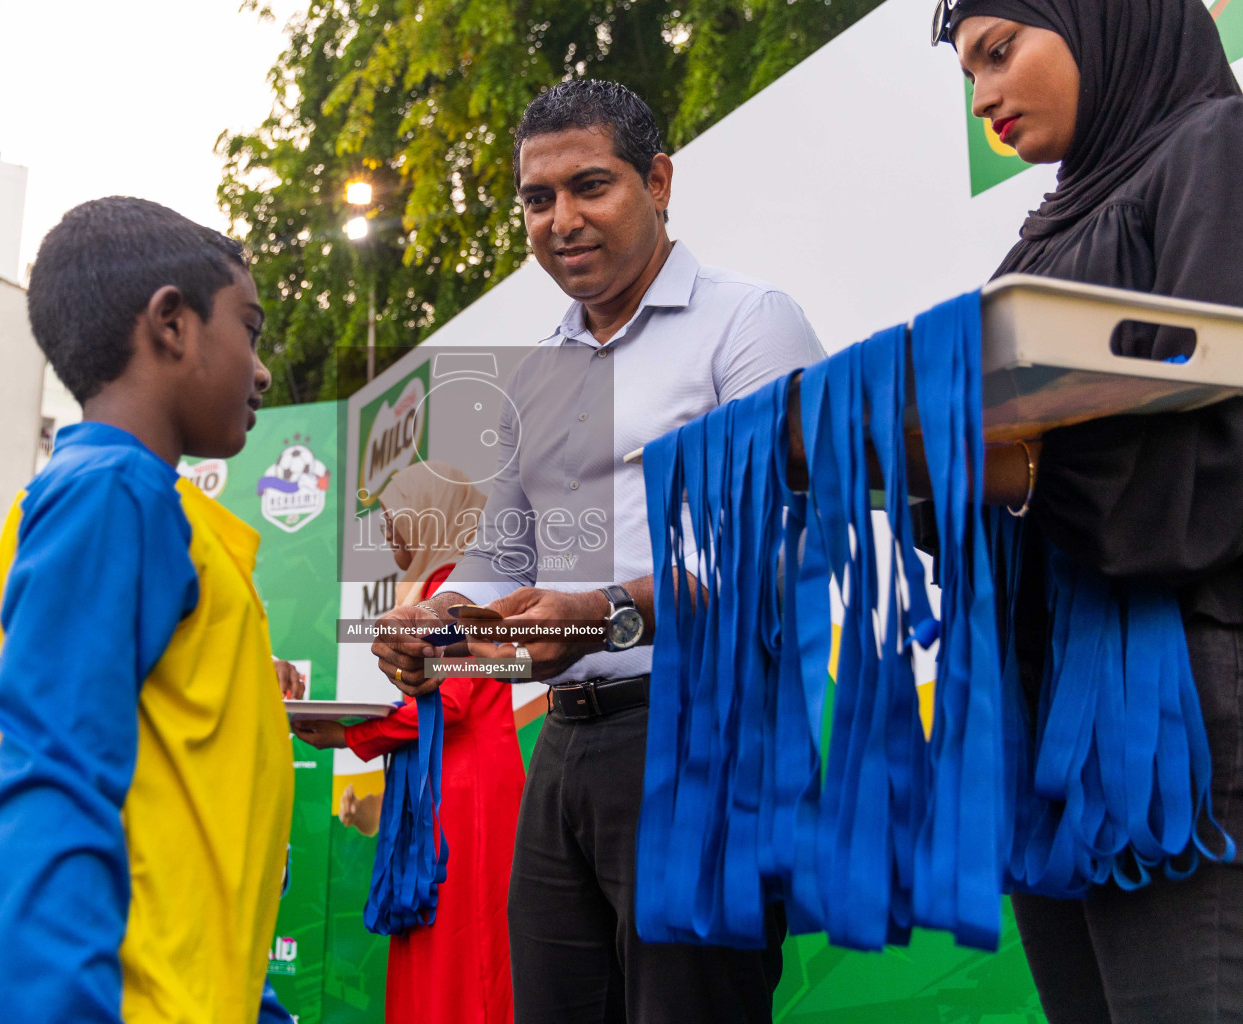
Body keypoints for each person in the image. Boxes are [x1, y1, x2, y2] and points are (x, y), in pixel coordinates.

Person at [372, 80, 826, 1024]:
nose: (561, 220)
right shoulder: (533, 378)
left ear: (658, 181)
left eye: (590, 186)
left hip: (710, 734)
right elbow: (501, 580)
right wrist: (437, 636)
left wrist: (607, 611)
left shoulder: (749, 324)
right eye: (538, 200)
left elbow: (783, 548)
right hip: (566, 743)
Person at [932, 1, 1243, 1021]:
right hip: (1048, 726)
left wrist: (1022, 472)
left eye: (999, 52)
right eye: (968, 71)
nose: (983, 97)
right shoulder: (1045, 231)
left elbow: (1216, 448)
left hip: (1182, 718)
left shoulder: (1216, 148)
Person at [0, 196, 292, 1024]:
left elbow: (184, 816)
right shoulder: (113, 495)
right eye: (251, 326)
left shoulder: (140, 503)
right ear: (173, 324)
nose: (262, 367)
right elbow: (52, 781)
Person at [295, 460, 524, 1024]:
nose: (387, 532)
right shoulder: (434, 584)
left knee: (463, 959)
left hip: (466, 799)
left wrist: (352, 733)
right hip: (442, 790)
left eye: (396, 516)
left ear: (432, 516)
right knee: (432, 954)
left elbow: (448, 700)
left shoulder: (456, 589)